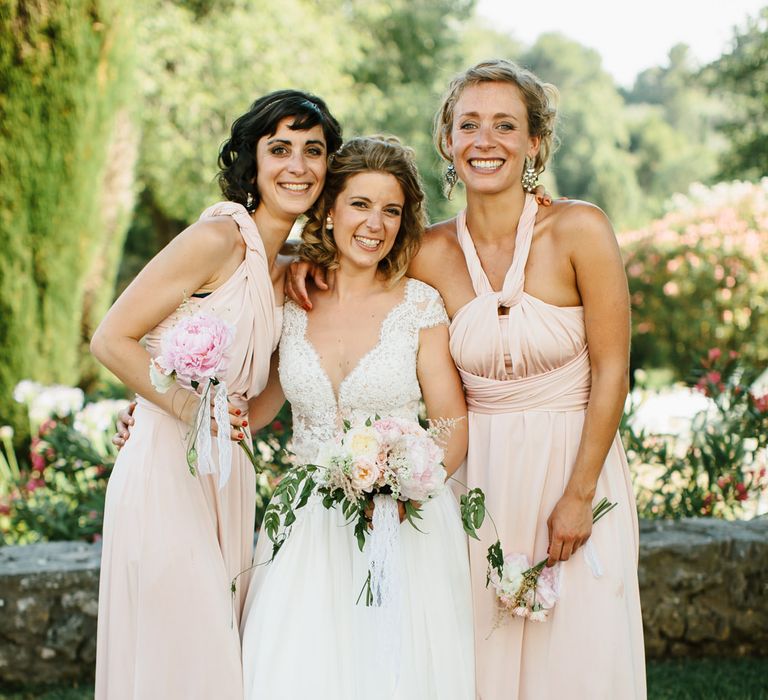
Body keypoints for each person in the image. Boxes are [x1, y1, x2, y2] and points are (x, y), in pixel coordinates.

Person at [289, 60, 645, 700]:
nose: (486, 141)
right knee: (480, 654)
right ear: (447, 143)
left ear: (534, 141)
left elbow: (613, 367)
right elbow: (353, 271)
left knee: (582, 651)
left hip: (573, 464)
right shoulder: (427, 250)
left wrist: (579, 492)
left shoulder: (580, 229)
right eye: (469, 125)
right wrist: (295, 268)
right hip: (475, 477)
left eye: (505, 125)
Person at [90, 89, 342, 700]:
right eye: (279, 148)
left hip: (229, 475)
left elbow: (257, 406)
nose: (298, 165)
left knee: (221, 651)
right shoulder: (216, 240)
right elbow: (111, 339)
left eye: (314, 150)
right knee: (187, 650)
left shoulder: (286, 271)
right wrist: (189, 412)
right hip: (164, 470)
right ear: (251, 162)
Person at [240, 136, 475, 699]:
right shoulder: (291, 296)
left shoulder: (420, 304)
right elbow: (262, 404)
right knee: (299, 672)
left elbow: (451, 423)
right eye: (361, 205)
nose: (376, 224)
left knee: (397, 674)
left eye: (391, 209)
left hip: (404, 520)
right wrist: (170, 412)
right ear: (329, 209)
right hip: (305, 521)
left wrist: (402, 487)